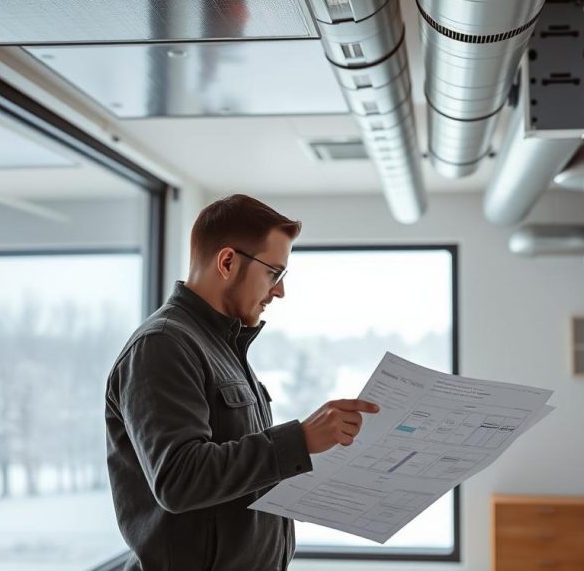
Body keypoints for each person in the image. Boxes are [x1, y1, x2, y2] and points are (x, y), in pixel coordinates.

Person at [105, 194, 379, 571]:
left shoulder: (222, 347)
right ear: (228, 262)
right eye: (274, 273)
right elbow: (179, 478)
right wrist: (299, 440)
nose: (280, 291)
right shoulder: (163, 345)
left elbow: (238, 471)